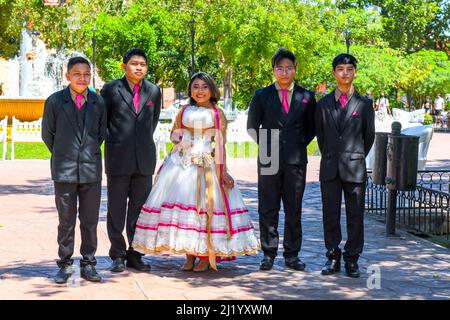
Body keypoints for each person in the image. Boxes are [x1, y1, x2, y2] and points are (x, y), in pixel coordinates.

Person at [132, 72, 259, 272]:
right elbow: (174, 133)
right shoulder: (183, 111)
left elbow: (220, 144)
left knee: (204, 210)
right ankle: (189, 255)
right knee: (184, 211)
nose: (200, 91)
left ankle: (204, 255)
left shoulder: (217, 114)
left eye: (204, 87)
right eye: (196, 87)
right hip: (181, 165)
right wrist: (179, 138)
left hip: (207, 165)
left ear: (212, 90)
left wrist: (223, 171)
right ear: (190, 90)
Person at [247, 48, 316, 271]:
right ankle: (268, 253)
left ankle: (292, 254)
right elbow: (252, 126)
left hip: (296, 158)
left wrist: (295, 144)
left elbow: (311, 129)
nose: (284, 72)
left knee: (294, 207)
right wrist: (269, 145)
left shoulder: (306, 96)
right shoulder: (261, 95)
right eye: (280, 68)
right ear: (273, 70)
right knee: (268, 206)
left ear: (295, 69)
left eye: (288, 68)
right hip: (269, 155)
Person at [41, 56, 106, 284]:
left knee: (89, 221)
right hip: (64, 170)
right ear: (67, 76)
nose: (82, 78)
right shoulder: (55, 102)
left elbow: (100, 133)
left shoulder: (98, 102)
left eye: (86, 74)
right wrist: (64, 152)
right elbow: (47, 135)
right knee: (66, 221)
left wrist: (86, 153)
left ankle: (89, 264)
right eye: (77, 74)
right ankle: (65, 264)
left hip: (91, 170)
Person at [101, 48, 161, 273]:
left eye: (143, 64)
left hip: (144, 160)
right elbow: (103, 121)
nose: (138, 67)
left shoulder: (154, 91)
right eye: (134, 63)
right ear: (124, 66)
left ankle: (135, 254)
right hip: (118, 158)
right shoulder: (110, 89)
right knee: (116, 208)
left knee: (139, 209)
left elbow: (151, 122)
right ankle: (117, 254)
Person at [314, 53, 375, 278]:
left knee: (355, 216)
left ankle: (352, 259)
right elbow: (321, 136)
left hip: (355, 167)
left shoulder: (365, 104)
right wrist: (332, 155)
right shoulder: (322, 104)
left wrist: (355, 155)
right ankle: (332, 256)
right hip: (329, 167)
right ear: (334, 73)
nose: (345, 73)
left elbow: (369, 137)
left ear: (355, 73)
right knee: (330, 215)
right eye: (340, 69)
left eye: (349, 69)